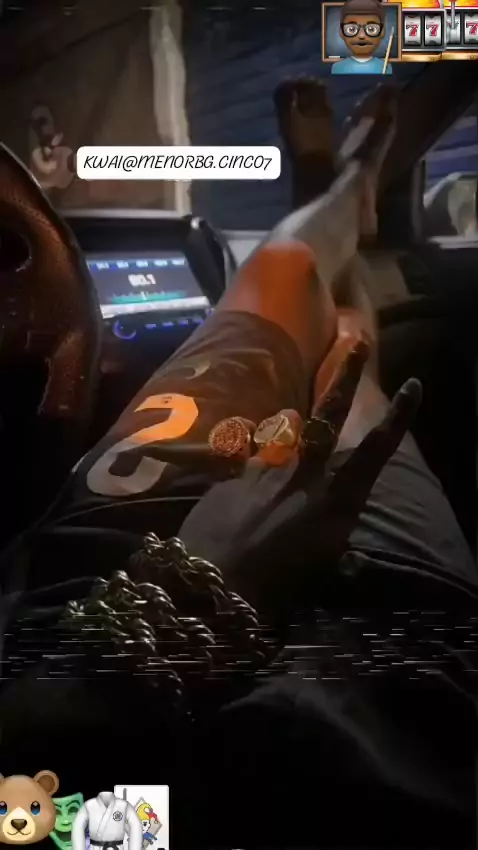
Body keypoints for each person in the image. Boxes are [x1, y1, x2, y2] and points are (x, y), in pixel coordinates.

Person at [0, 84, 476, 850]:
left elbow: (35, 821)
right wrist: (202, 590)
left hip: (80, 598)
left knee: (320, 315)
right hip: (385, 668)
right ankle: (339, 188)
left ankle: (337, 189)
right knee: (342, 347)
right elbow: (41, 824)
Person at [331, 0, 393, 75]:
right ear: (341, 32)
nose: (361, 36)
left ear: (382, 32)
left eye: (371, 29)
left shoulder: (386, 67)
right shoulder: (337, 67)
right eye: (352, 29)